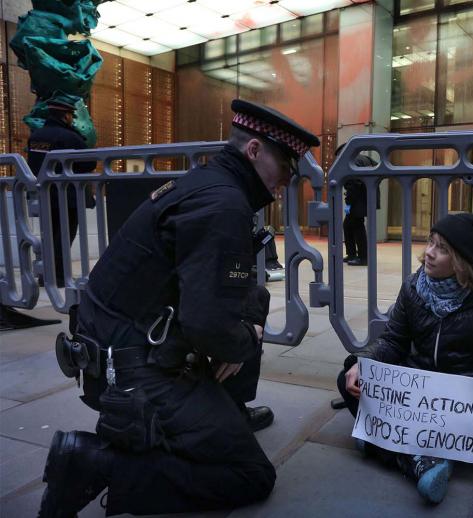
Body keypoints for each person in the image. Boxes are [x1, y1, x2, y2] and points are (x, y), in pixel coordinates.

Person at [39, 100, 320, 516]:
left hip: (117, 348)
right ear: (254, 151)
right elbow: (207, 325)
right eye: (285, 166)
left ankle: (225, 413)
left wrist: (239, 332)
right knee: (250, 474)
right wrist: (245, 339)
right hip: (133, 373)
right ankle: (97, 463)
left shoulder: (208, 183)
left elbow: (223, 299)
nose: (287, 180)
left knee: (252, 301)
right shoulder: (223, 205)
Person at [336, 213, 473, 504]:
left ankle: (386, 445)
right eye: (430, 242)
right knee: (348, 379)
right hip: (415, 393)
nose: (429, 253)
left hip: (459, 398)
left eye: (443, 249)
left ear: (461, 260)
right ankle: (421, 459)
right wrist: (363, 362)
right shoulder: (414, 287)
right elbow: (392, 340)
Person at [27, 97, 96, 287]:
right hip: (68, 196)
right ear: (65, 115)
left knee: (49, 235)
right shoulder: (70, 137)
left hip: (44, 195)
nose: (72, 119)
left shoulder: (37, 136)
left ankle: (46, 275)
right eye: (71, 115)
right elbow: (89, 162)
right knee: (64, 236)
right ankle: (58, 276)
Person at [335, 144, 379, 266]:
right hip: (367, 197)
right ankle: (352, 254)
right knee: (349, 225)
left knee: (357, 226)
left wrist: (349, 202)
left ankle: (363, 257)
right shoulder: (365, 158)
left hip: (358, 199)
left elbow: (352, 184)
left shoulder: (351, 161)